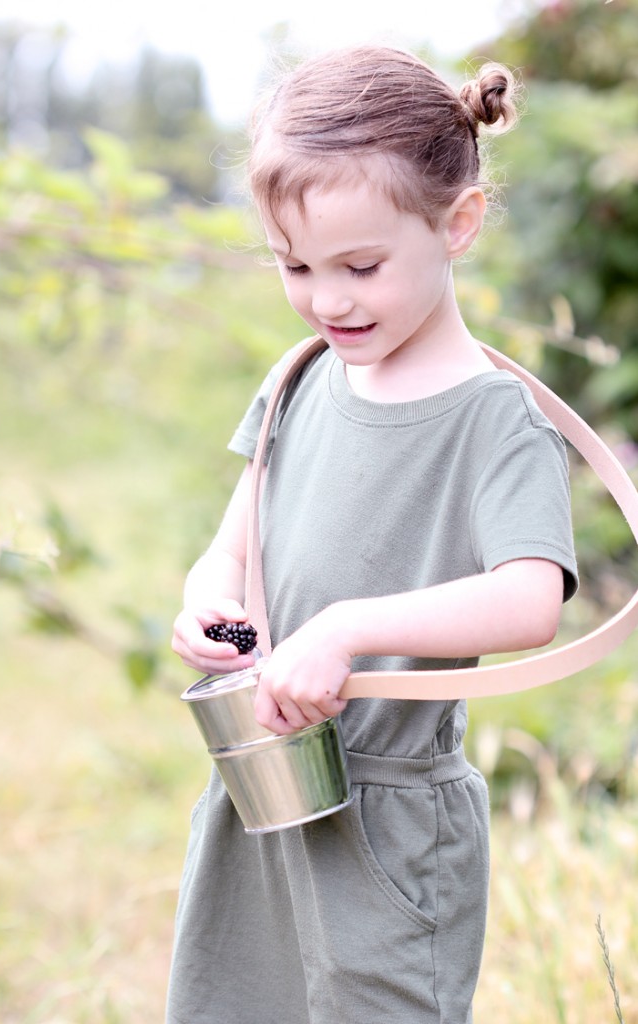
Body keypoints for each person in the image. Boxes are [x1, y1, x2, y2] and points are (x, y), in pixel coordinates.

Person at [167, 45, 578, 1024]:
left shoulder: (491, 420)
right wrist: (206, 598)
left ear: (457, 224)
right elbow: (235, 543)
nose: (326, 299)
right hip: (262, 792)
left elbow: (529, 600)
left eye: (359, 266)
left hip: (388, 816)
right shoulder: (300, 378)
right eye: (293, 265)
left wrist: (346, 627)